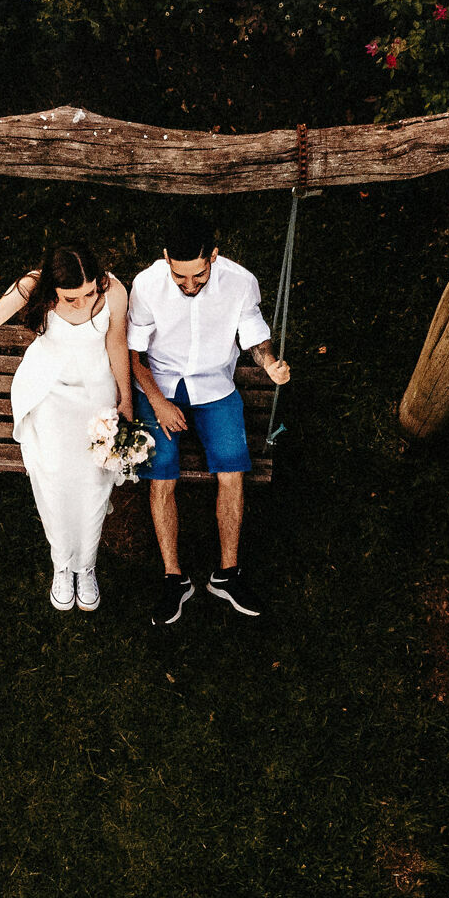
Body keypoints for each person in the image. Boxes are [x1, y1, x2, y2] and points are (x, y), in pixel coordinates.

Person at [0, 243, 134, 611]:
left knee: (96, 480)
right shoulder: (32, 285)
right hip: (46, 388)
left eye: (89, 293)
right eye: (71, 298)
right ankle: (62, 564)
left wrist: (125, 397)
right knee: (53, 476)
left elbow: (116, 342)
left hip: (96, 390)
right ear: (52, 288)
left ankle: (87, 565)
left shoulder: (114, 291)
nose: (82, 303)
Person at [127, 211, 291, 624]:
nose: (188, 286)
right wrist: (158, 402)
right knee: (161, 473)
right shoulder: (147, 285)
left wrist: (269, 362)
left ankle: (228, 574)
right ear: (166, 258)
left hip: (216, 386)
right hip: (161, 385)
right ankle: (174, 578)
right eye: (180, 277)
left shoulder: (240, 282)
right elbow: (133, 355)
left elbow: (254, 334)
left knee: (232, 472)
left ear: (213, 257)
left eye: (198, 277)